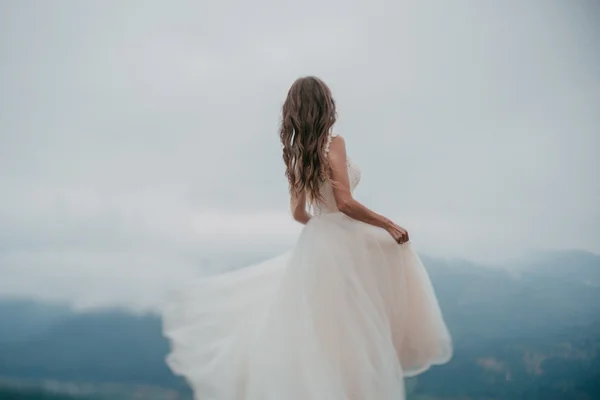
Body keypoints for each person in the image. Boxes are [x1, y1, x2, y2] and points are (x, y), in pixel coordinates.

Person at [162, 76, 452, 400]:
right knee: (369, 302)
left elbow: (299, 214)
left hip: (319, 243)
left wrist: (323, 228)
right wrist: (388, 224)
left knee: (326, 331)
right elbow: (345, 202)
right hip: (341, 239)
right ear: (326, 105)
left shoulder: (299, 155)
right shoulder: (335, 143)